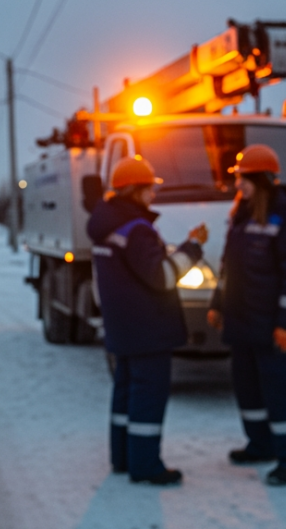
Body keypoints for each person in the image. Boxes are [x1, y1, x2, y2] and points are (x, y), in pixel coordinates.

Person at [87, 156, 208, 485]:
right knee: (148, 398)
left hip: (124, 327)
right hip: (148, 329)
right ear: (134, 191)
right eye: (149, 189)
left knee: (125, 395)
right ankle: (145, 466)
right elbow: (163, 276)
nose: (153, 195)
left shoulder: (107, 225)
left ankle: (123, 458)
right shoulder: (137, 229)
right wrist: (192, 248)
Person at [207, 143, 286, 486]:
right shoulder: (241, 217)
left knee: (281, 393)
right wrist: (218, 304)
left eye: (245, 179)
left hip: (272, 328)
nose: (239, 185)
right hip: (243, 324)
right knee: (248, 390)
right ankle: (260, 445)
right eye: (238, 179)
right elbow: (228, 268)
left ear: (263, 180)